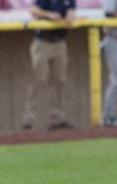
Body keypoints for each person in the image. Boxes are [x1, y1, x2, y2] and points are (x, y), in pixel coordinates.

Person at [22, 0, 76, 131]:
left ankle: (57, 119)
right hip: (42, 42)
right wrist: (50, 15)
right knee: (39, 79)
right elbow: (34, 10)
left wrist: (70, 17)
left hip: (60, 42)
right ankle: (29, 118)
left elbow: (71, 12)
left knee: (59, 80)